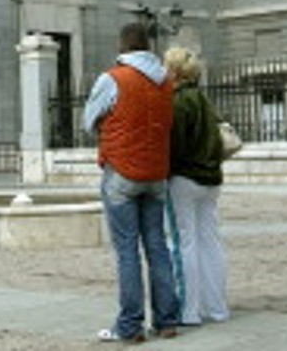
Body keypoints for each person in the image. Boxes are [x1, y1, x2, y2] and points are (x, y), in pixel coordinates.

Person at [83, 23, 180, 343]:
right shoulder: (166, 82)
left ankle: (130, 326)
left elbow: (87, 121)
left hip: (122, 172)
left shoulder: (113, 78)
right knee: (157, 246)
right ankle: (167, 320)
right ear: (148, 46)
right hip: (156, 174)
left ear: (122, 47)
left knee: (127, 251)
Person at [162, 46, 229, 326]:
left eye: (166, 66)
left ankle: (188, 311)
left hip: (184, 179)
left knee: (183, 243)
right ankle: (217, 307)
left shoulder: (178, 102)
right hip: (211, 179)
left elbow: (174, 146)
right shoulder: (204, 99)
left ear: (175, 71)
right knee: (210, 242)